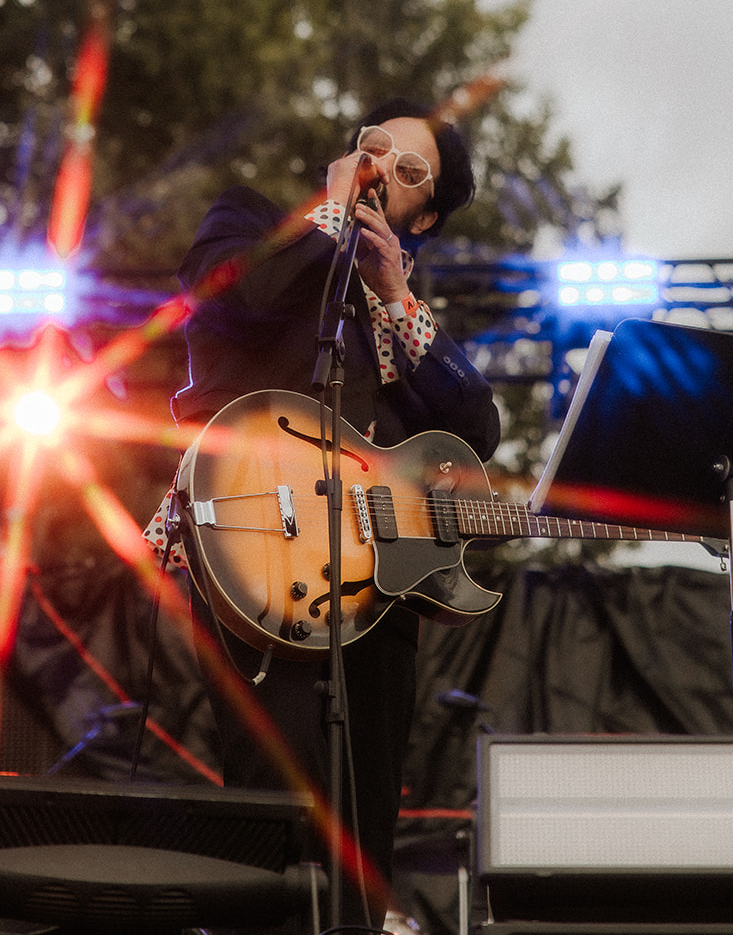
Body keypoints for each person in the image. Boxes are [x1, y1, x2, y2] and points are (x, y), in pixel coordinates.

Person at [148, 98, 500, 930]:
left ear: (425, 216)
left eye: (407, 170)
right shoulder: (250, 221)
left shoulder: (398, 310)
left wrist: (393, 290)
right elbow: (235, 292)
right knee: (277, 778)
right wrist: (331, 215)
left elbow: (475, 429)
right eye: (372, 148)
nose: (382, 168)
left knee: (363, 806)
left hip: (378, 579)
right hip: (253, 539)